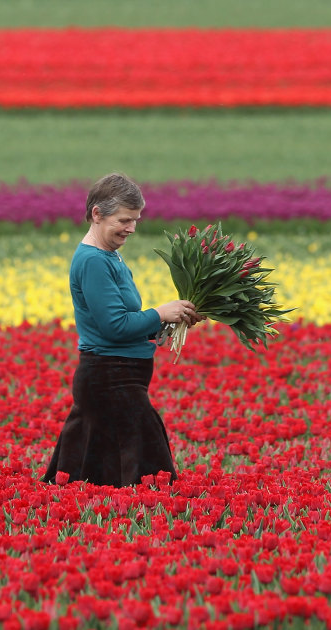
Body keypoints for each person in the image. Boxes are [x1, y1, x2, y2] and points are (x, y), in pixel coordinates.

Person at [42, 172, 202, 487]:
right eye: (124, 220)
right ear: (97, 215)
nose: (131, 228)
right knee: (142, 479)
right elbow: (114, 326)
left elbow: (126, 321)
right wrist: (159, 312)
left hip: (119, 379)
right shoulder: (93, 262)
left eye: (136, 220)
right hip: (110, 380)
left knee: (106, 482)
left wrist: (171, 321)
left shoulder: (109, 256)